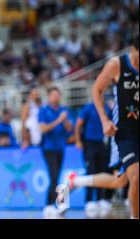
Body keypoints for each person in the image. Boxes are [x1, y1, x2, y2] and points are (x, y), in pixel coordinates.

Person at [91, 35, 139, 219]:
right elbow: (96, 89)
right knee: (134, 177)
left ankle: (76, 180)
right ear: (132, 50)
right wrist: (104, 120)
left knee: (121, 182)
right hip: (124, 133)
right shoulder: (116, 64)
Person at [38, 86, 74, 218]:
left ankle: (56, 205)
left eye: (58, 95)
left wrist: (64, 119)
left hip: (60, 148)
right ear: (49, 97)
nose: (56, 97)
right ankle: (48, 205)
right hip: (48, 148)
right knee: (53, 176)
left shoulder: (64, 111)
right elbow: (44, 128)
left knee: (57, 177)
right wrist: (58, 120)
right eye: (53, 95)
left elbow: (70, 128)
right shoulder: (44, 111)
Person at [74, 102, 111, 211]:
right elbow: (78, 124)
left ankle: (100, 199)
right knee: (90, 171)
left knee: (102, 171)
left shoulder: (106, 107)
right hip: (89, 144)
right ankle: (89, 200)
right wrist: (78, 140)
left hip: (102, 143)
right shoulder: (88, 108)